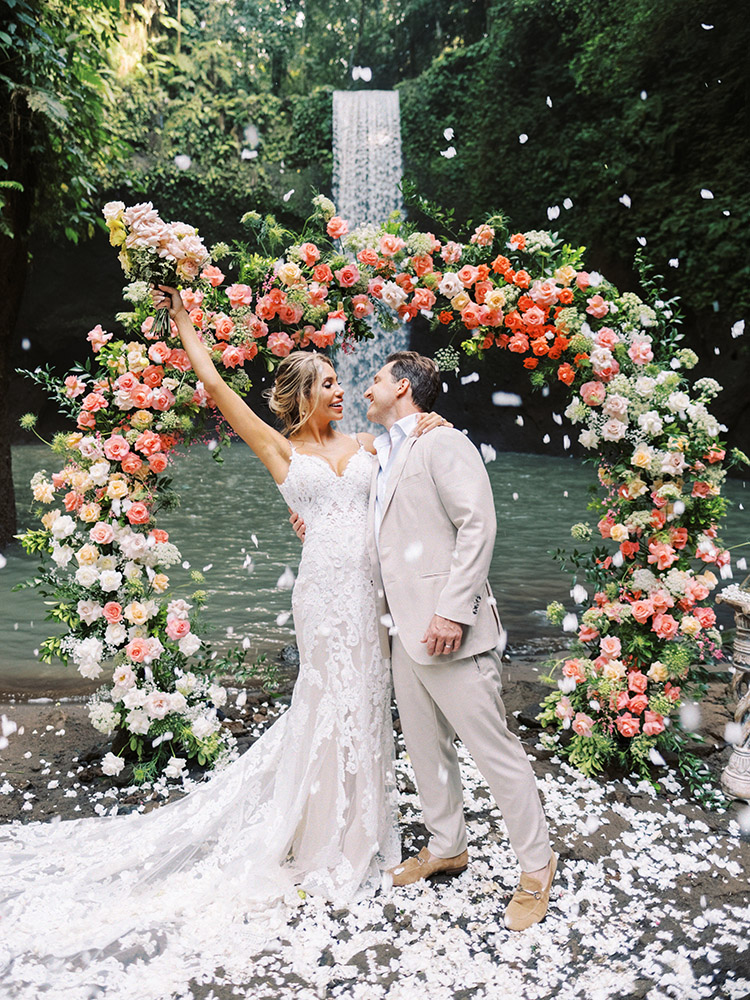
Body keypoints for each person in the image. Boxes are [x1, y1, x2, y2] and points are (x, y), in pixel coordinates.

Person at [0, 292, 446, 998]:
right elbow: (215, 387)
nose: (341, 389)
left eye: (340, 382)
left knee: (365, 702)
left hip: (368, 599)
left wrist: (428, 417)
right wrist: (186, 331)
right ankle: (319, 835)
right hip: (321, 598)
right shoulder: (279, 448)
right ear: (304, 394)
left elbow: (415, 450)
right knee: (326, 701)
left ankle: (359, 831)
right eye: (329, 382)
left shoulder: (367, 444)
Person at [364, 352, 556, 931]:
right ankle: (447, 844)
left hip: (449, 631)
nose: (364, 389)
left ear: (402, 386)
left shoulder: (444, 444)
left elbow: (479, 524)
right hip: (402, 629)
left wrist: (453, 611)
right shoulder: (384, 449)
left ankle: (537, 865)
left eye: (375, 380)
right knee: (425, 746)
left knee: (494, 750)